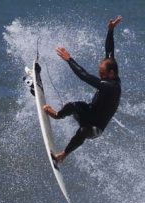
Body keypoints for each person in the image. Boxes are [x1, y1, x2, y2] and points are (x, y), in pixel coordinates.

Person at [44, 16, 122, 163]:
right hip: (88, 114)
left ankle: (63, 155)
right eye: (100, 72)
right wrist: (110, 31)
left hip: (95, 128)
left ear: (111, 73)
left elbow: (84, 76)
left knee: (83, 131)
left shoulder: (111, 87)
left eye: (103, 73)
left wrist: (69, 59)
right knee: (74, 106)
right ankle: (57, 115)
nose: (100, 75)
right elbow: (110, 51)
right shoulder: (111, 71)